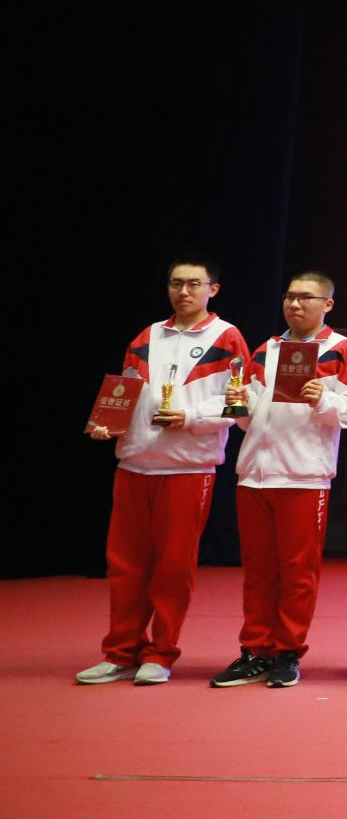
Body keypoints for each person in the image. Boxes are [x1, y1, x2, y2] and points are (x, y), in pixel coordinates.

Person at [77, 259, 251, 685]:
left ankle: (161, 653)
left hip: (187, 468)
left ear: (213, 289)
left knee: (173, 568)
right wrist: (108, 423)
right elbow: (124, 391)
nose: (183, 292)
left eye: (193, 284)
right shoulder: (147, 335)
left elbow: (238, 403)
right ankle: (121, 651)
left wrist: (190, 417)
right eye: (176, 283)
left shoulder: (227, 336)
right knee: (125, 567)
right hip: (134, 464)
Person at [209, 272, 347, 689]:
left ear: (327, 304)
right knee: (258, 572)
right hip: (254, 475)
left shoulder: (341, 349)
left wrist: (323, 398)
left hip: (304, 476)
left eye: (306, 297)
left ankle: (287, 652)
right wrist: (238, 404)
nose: (295, 304)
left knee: (298, 572)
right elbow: (249, 419)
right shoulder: (266, 349)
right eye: (290, 297)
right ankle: (255, 650)